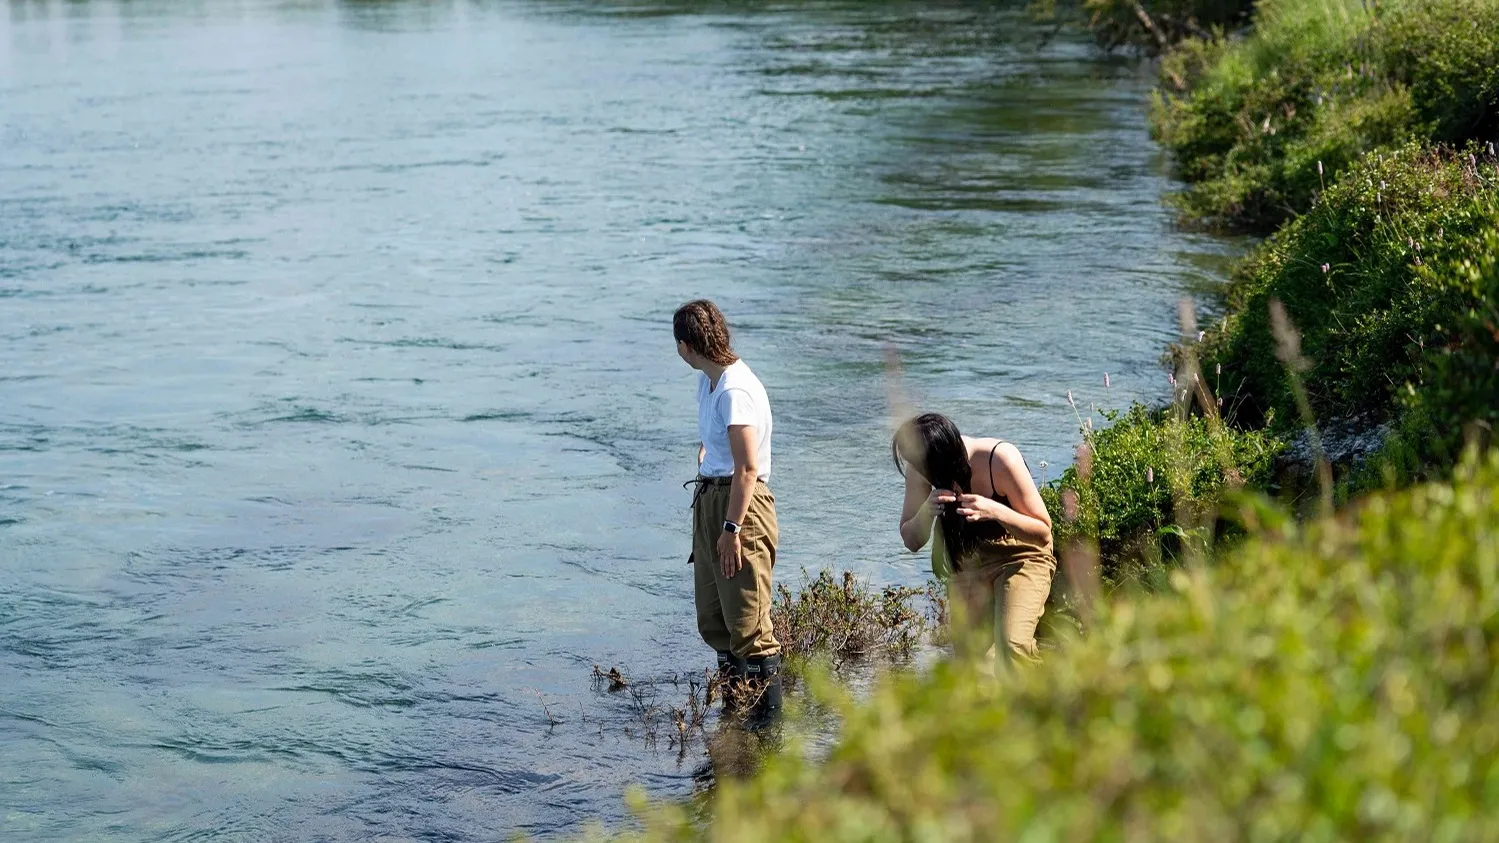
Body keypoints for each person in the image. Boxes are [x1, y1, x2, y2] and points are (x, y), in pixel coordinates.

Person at [674, 299, 781, 721]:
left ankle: (767, 733)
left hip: (741, 506)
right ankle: (734, 718)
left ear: (686, 346)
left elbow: (749, 467)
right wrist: (708, 451)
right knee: (714, 617)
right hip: (711, 496)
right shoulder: (709, 380)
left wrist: (732, 528)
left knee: (749, 623)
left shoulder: (735, 389)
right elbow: (725, 446)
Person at [892, 412, 1055, 670]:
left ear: (946, 458)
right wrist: (926, 512)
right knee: (973, 665)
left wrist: (994, 511)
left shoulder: (999, 459)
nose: (921, 472)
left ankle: (1047, 705)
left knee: (1012, 648)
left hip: (1022, 556)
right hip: (968, 564)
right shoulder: (921, 470)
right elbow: (911, 541)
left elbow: (1043, 532)